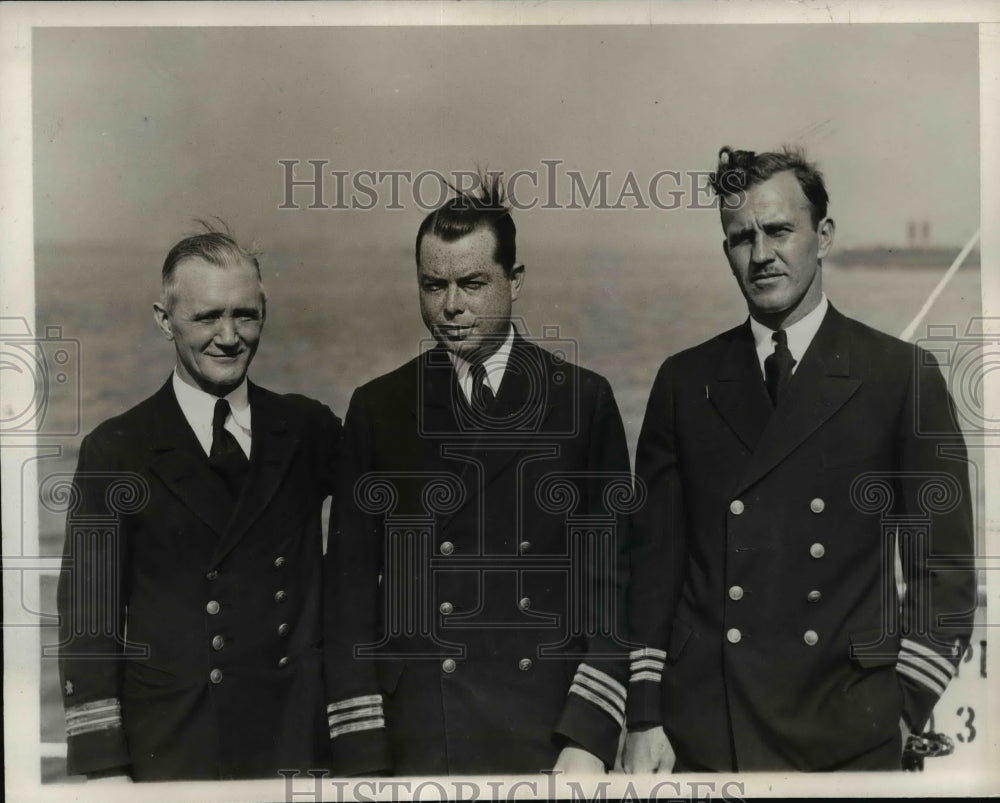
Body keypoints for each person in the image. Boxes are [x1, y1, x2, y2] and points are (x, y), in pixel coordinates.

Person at [622, 146, 976, 772]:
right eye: (740, 238)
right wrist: (646, 715)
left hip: (848, 732)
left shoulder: (901, 377)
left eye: (780, 230)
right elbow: (651, 574)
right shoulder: (684, 382)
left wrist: (899, 710)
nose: (761, 255)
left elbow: (943, 574)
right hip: (708, 732)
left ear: (824, 235)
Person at [323, 176, 632, 775]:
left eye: (472, 284)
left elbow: (612, 584)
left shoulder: (582, 402)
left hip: (546, 735)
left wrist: (589, 738)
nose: (451, 306)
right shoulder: (380, 407)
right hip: (420, 737)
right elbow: (349, 599)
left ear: (515, 281)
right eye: (433, 285)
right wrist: (361, 753)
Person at [56, 228, 342, 781]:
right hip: (172, 748)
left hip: (292, 746)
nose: (229, 337)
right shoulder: (117, 449)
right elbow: (89, 622)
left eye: (245, 315)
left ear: (265, 311)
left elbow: (392, 502)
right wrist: (105, 767)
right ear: (164, 319)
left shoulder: (307, 429)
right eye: (207, 317)